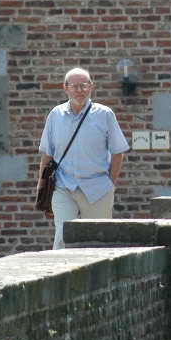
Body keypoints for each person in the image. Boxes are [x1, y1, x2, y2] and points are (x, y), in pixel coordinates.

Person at [37, 68, 129, 249]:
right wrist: (41, 186)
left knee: (99, 241)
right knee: (63, 235)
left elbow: (118, 152)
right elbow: (47, 153)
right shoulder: (55, 115)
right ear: (65, 89)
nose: (79, 90)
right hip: (64, 186)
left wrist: (110, 184)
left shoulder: (104, 114)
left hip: (97, 188)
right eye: (74, 86)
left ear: (91, 87)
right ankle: (60, 267)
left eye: (84, 85)